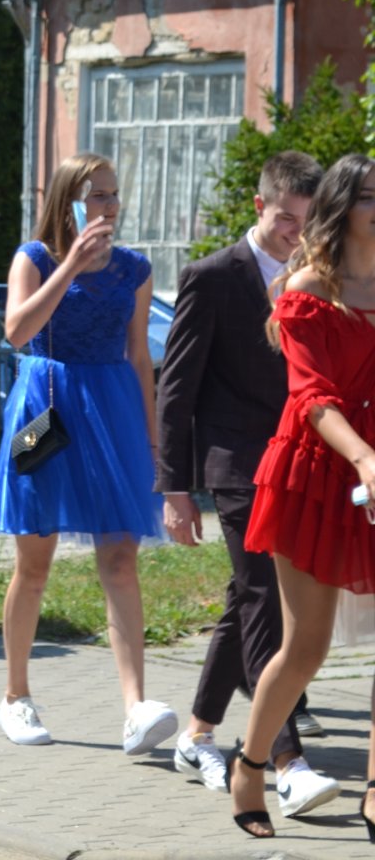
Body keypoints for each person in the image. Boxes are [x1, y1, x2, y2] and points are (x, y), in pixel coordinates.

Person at [158, 151, 335, 807]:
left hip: (299, 463)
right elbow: (176, 390)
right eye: (287, 219)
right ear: (260, 206)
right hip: (235, 463)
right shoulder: (211, 277)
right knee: (264, 597)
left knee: (244, 598)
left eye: (308, 222)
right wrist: (175, 488)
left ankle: (199, 732)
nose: (297, 233)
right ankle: (284, 762)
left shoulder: (322, 278)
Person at [0, 152, 177, 754]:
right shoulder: (34, 257)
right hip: (43, 410)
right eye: (98, 195)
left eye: (114, 194)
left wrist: (153, 443)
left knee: (121, 557)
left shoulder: (134, 269)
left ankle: (136, 707)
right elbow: (17, 331)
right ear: (68, 201)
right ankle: (15, 696)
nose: (110, 205)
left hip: (113, 410)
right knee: (34, 561)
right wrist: (69, 264)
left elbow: (140, 357)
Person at [226, 153, 375, 841]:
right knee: (307, 646)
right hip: (314, 474)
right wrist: (364, 457)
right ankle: (251, 764)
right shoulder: (309, 287)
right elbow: (312, 396)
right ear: (342, 205)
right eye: (371, 197)